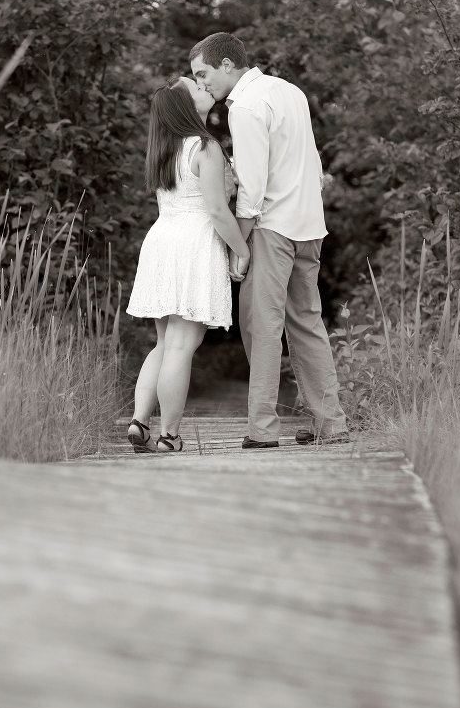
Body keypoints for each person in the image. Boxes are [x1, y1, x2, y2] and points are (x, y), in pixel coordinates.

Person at [190, 32, 349, 450]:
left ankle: (262, 428)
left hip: (272, 228)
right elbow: (312, 162)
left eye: (203, 74)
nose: (202, 84)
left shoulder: (243, 107)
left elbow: (252, 190)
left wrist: (240, 249)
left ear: (227, 64)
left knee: (261, 327)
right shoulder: (289, 90)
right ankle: (331, 424)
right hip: (310, 224)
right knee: (307, 322)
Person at [125, 75, 250, 453]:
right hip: (194, 243)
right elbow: (216, 210)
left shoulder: (165, 148)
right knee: (182, 344)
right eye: (196, 87)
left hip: (162, 239)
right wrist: (241, 249)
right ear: (185, 105)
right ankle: (170, 435)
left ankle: (139, 423)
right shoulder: (205, 147)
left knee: (164, 341)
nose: (204, 88)